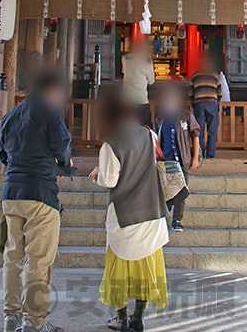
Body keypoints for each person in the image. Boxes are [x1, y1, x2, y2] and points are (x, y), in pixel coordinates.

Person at [0, 69, 74, 332]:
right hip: (40, 193)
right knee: (38, 260)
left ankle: (11, 317)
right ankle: (34, 321)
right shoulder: (50, 111)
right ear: (51, 90)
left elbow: (3, 155)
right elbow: (62, 147)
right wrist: (64, 166)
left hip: (11, 193)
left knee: (12, 257)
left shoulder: (11, 115)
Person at [89, 88, 168, 331]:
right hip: (151, 212)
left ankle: (121, 320)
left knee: (119, 271)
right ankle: (138, 318)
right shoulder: (149, 135)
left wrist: (97, 176)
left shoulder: (111, 143)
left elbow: (110, 181)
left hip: (124, 215)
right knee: (146, 269)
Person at [154, 86, 201, 231]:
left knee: (182, 191)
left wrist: (195, 158)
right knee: (165, 191)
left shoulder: (186, 115)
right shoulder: (160, 119)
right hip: (166, 160)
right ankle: (163, 217)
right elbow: (156, 140)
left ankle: (177, 220)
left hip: (183, 158)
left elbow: (195, 135)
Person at [189, 54, 222, 160]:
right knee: (212, 131)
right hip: (212, 103)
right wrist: (217, 104)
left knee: (200, 130)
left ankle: (201, 154)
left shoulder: (195, 76)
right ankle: (210, 156)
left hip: (199, 103)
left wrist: (194, 105)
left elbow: (190, 94)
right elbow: (220, 93)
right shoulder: (215, 76)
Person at [121, 40, 155, 126]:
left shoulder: (126, 62)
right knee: (146, 125)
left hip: (127, 100)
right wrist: (151, 62)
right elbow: (151, 81)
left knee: (127, 125)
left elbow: (124, 57)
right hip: (141, 101)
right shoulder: (147, 66)